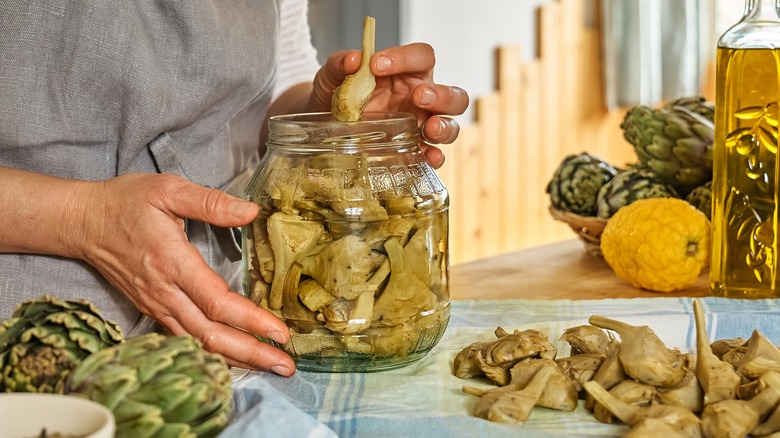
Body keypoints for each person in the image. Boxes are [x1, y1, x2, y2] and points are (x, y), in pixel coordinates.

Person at [0, 0, 468, 377]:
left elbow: (266, 89)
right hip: (29, 344)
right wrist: (81, 217)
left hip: (233, 333)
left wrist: (321, 127)